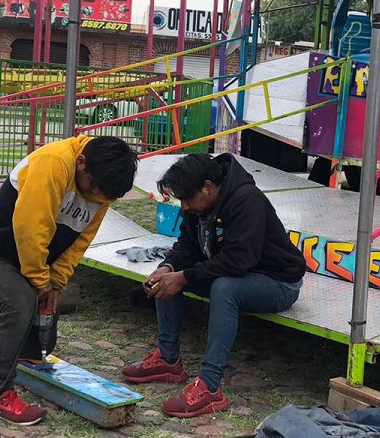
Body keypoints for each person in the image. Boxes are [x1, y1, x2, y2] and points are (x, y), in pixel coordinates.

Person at [0, 135, 138, 426]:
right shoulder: (53, 162)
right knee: (20, 305)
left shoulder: (102, 189)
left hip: (32, 266)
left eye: (104, 195)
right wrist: (41, 282)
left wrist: (56, 284)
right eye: (93, 187)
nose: (95, 197)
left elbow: (79, 243)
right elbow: (30, 229)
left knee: (36, 346)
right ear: (81, 163)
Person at [121, 154, 306, 418]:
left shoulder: (246, 200)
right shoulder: (199, 206)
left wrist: (184, 277)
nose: (184, 207)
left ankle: (210, 385)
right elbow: (187, 245)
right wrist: (168, 268)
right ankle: (168, 360)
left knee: (224, 288)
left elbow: (239, 260)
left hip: (277, 283)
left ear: (208, 187)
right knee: (168, 279)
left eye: (187, 199)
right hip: (234, 274)